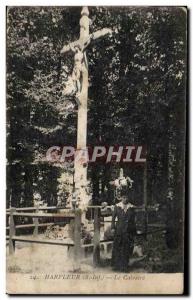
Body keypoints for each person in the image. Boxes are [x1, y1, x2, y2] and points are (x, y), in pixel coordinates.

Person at [111, 189, 136, 272]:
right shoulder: (117, 206)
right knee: (117, 247)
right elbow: (113, 219)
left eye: (126, 197)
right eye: (123, 197)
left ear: (128, 198)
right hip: (119, 230)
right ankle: (116, 265)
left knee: (126, 248)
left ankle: (124, 266)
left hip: (128, 231)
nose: (125, 199)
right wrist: (112, 228)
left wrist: (134, 231)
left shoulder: (131, 207)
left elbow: (133, 220)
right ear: (121, 198)